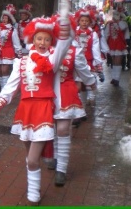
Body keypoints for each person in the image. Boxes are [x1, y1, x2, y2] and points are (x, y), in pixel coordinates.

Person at [0, 8, 72, 206]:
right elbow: (10, 88)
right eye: (39, 39)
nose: (42, 43)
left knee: (33, 159)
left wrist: (65, 25)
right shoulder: (21, 62)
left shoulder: (52, 61)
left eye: (47, 39)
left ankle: (33, 194)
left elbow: (63, 47)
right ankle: (38, 176)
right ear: (32, 40)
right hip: (25, 111)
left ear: (52, 42)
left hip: (43, 110)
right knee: (29, 157)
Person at [47, 14, 96, 187]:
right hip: (47, 92)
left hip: (66, 91)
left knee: (62, 128)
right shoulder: (45, 46)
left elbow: (83, 70)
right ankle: (53, 155)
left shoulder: (75, 50)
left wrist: (91, 83)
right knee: (51, 125)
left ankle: (61, 168)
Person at [74, 8, 104, 107]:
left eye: (86, 21)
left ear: (90, 22)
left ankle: (91, 97)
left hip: (89, 61)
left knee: (89, 81)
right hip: (77, 62)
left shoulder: (93, 34)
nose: (84, 23)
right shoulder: (74, 33)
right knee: (79, 83)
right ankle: (81, 103)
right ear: (78, 21)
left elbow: (96, 49)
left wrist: (98, 63)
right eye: (82, 20)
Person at [0, 4, 22, 89]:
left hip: (8, 51)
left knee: (5, 70)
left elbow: (16, 42)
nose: (4, 19)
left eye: (6, 18)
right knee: (0, 71)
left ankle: (5, 88)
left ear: (9, 19)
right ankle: (2, 88)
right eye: (3, 18)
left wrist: (19, 52)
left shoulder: (12, 30)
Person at [104, 10, 129, 86]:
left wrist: (118, 21)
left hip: (120, 44)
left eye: (117, 15)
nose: (115, 16)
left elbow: (122, 28)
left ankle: (117, 79)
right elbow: (106, 34)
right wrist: (105, 45)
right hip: (112, 44)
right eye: (114, 15)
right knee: (114, 61)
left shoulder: (123, 23)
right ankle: (114, 78)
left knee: (118, 61)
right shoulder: (109, 24)